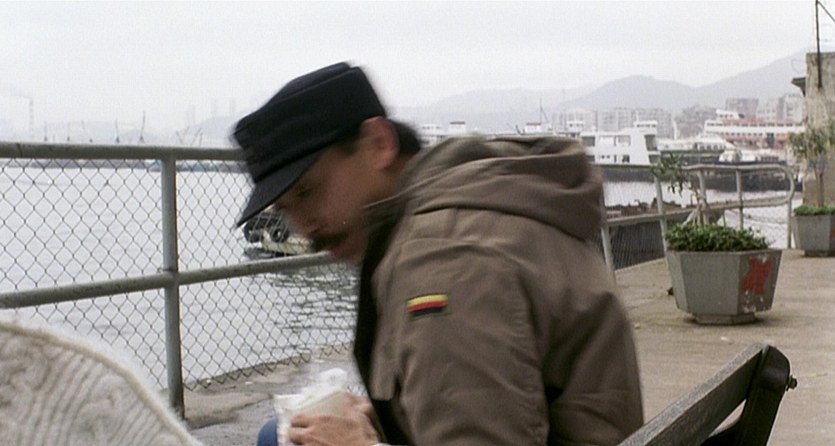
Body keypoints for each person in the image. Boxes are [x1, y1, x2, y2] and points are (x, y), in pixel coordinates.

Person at [234, 62, 643, 445]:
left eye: (308, 192)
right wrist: (386, 415)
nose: (304, 227)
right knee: (278, 433)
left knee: (278, 438)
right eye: (286, 209)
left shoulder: (445, 261)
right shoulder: (480, 208)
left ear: (378, 144)